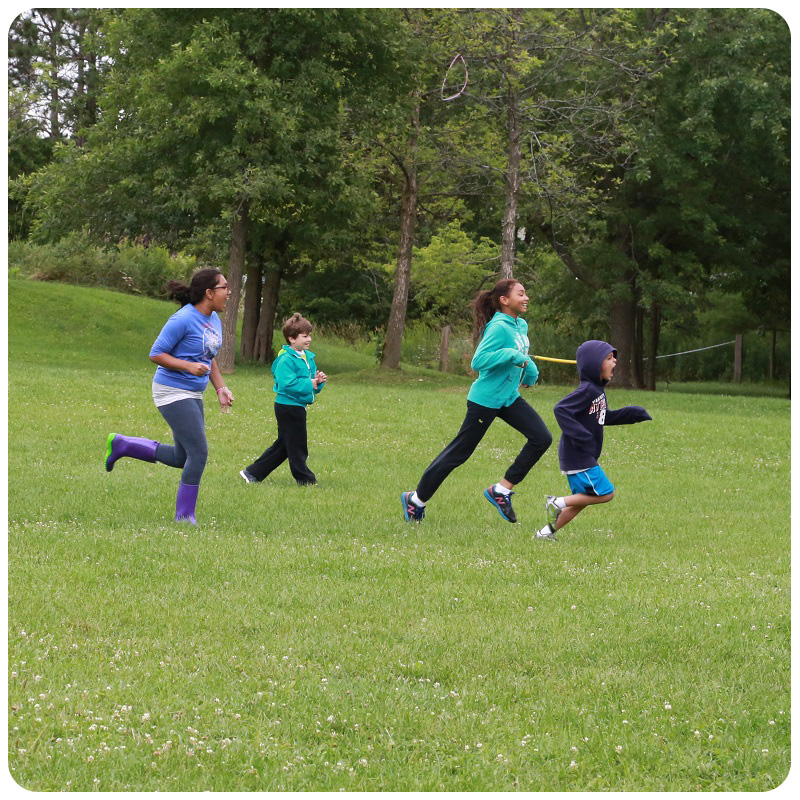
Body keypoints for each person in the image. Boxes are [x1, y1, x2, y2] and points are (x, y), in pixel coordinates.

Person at [402, 278, 552, 523]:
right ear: (504, 300)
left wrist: (529, 369)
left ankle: (501, 490)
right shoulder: (498, 327)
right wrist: (512, 355)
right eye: (521, 294)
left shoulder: (520, 325)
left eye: (526, 294)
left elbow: (521, 356)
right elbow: (478, 361)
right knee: (459, 453)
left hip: (509, 397)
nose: (526, 298)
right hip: (486, 400)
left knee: (541, 437)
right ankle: (416, 500)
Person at [104, 268, 234, 525]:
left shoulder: (214, 320)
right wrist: (187, 366)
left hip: (193, 391)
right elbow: (156, 353)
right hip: (171, 390)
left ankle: (124, 445)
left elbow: (208, 358)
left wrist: (220, 388)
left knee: (181, 457)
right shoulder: (182, 319)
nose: (229, 293)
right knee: (198, 453)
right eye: (224, 288)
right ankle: (184, 516)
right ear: (209, 293)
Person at [534, 340, 652, 541]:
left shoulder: (597, 391)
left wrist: (632, 414)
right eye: (608, 358)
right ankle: (557, 503)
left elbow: (602, 417)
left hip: (579, 454)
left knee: (581, 502)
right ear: (593, 364)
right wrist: (581, 436)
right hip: (578, 454)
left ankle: (545, 534)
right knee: (607, 494)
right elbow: (560, 409)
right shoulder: (587, 390)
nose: (614, 361)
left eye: (614, 357)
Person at [239, 312, 326, 486]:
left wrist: (318, 382)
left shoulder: (308, 358)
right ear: (291, 339)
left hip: (298, 406)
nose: (309, 339)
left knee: (285, 445)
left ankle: (252, 473)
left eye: (309, 335)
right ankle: (305, 479)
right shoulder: (285, 360)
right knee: (297, 446)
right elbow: (288, 384)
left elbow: (310, 385)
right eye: (305, 336)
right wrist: (311, 383)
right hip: (288, 407)